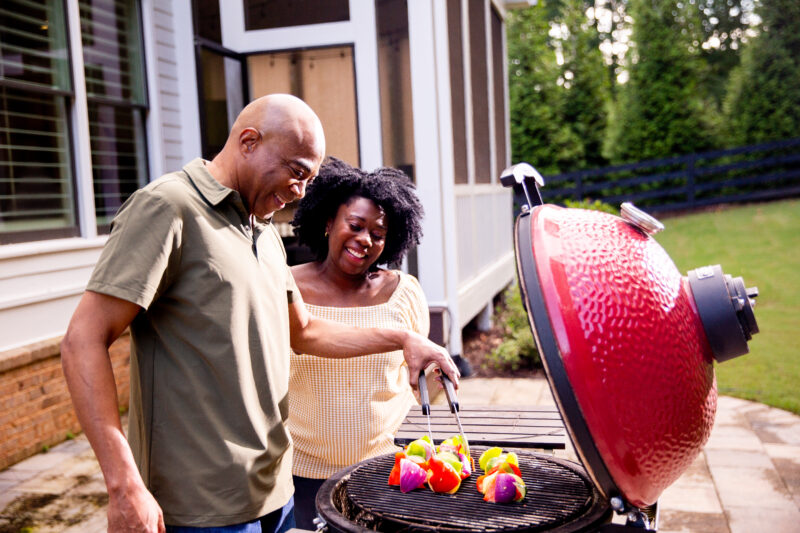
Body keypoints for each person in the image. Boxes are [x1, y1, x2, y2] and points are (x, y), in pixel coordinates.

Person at [60, 94, 459, 533]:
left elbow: (304, 332)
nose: (303, 191)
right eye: (297, 172)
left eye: (309, 179)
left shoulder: (265, 233)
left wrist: (404, 339)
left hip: (276, 493)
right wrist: (123, 485)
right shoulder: (168, 207)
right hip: (201, 507)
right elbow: (83, 340)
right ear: (249, 141)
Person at [287, 158, 429, 528]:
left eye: (378, 234)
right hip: (298, 473)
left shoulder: (404, 293)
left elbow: (419, 376)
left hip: (383, 470)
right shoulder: (286, 288)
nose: (365, 240)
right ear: (328, 222)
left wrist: (434, 378)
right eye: (355, 225)